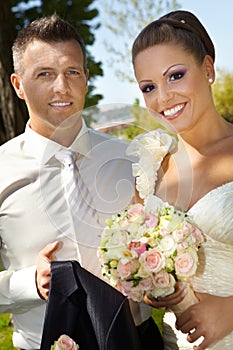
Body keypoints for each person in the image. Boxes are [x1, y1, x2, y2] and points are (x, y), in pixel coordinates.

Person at [0, 14, 163, 349]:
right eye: (44, 74)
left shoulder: (132, 160)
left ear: (86, 79)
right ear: (18, 85)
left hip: (138, 340)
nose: (62, 87)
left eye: (72, 72)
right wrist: (29, 283)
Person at [127, 9, 233, 350]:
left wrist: (230, 311)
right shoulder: (152, 167)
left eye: (175, 76)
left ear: (207, 68)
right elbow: (136, 253)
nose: (163, 98)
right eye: (148, 87)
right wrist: (151, 284)